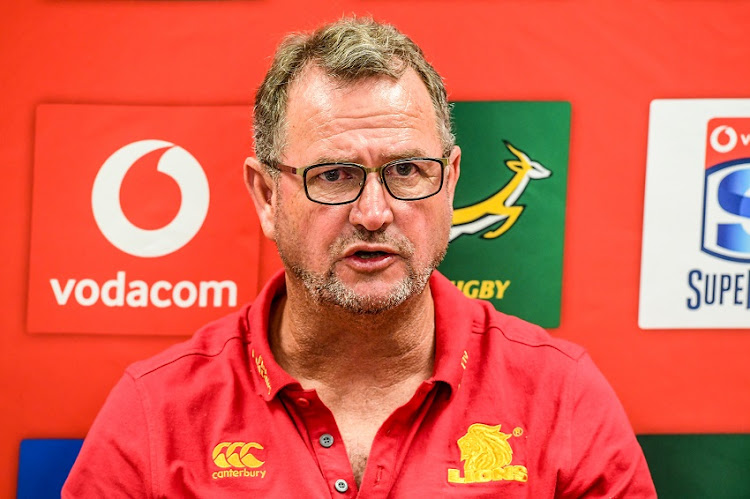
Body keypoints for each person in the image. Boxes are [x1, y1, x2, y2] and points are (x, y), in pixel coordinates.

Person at [63, 17, 656, 498]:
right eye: (334, 175)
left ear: (449, 182)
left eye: (406, 170)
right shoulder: (157, 413)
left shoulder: (561, 397)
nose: (374, 211)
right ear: (267, 195)